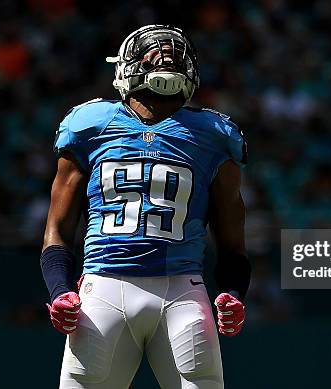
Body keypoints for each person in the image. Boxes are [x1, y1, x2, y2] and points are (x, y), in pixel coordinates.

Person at [40, 25, 250, 389]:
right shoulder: (90, 125)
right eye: (155, 53)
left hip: (182, 291)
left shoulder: (213, 133)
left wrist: (233, 291)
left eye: (174, 55)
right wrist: (59, 290)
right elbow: (57, 228)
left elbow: (233, 241)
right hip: (104, 286)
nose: (167, 60)